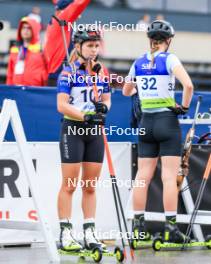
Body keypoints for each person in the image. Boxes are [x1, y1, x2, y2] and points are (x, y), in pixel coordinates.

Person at [123, 20, 193, 243]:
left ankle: (138, 228)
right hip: (166, 120)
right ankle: (171, 229)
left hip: (146, 122)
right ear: (168, 40)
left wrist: (141, 89)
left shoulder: (139, 61)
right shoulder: (170, 58)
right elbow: (189, 86)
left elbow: (126, 91)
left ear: (150, 40)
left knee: (142, 176)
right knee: (169, 177)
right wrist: (184, 106)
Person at [57, 28, 111, 251]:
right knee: (69, 185)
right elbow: (61, 105)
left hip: (94, 132)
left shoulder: (102, 71)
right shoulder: (68, 72)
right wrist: (85, 115)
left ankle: (89, 232)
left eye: (96, 45)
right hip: (74, 129)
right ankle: (65, 233)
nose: (94, 50)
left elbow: (107, 100)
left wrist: (102, 109)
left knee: (90, 187)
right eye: (89, 45)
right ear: (78, 47)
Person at [44, 0, 90, 86]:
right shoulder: (61, 21)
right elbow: (78, 4)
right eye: (76, 13)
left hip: (58, 75)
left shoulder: (57, 24)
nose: (78, 16)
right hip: (58, 76)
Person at [6, 17, 47, 86]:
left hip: (36, 90)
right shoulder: (15, 50)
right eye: (23, 28)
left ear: (34, 30)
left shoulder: (41, 50)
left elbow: (46, 73)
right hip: (17, 89)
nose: (25, 30)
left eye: (29, 28)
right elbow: (10, 73)